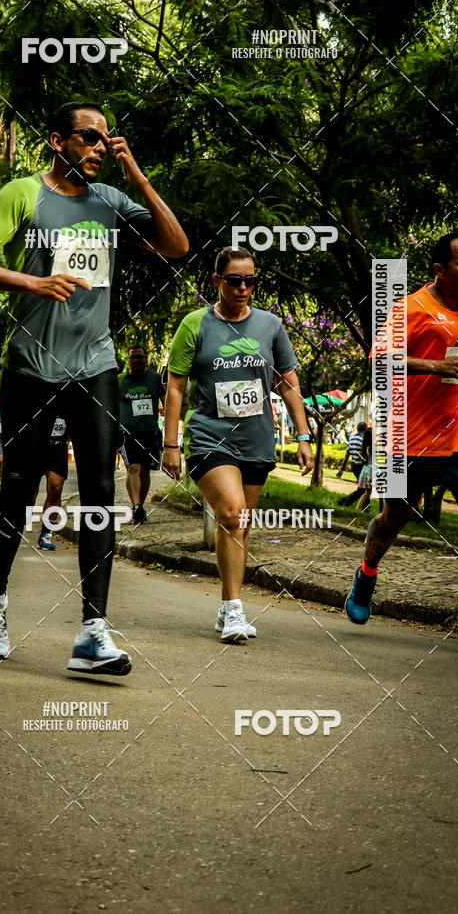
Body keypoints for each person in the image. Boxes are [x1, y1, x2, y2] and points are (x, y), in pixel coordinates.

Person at [0, 100, 188, 672]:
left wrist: (137, 175)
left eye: (106, 140)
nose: (100, 147)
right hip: (31, 367)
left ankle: (92, 633)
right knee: (20, 489)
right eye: (89, 137)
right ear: (58, 141)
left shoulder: (110, 201)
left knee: (101, 494)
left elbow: (176, 246)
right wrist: (32, 283)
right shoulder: (23, 194)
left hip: (96, 366)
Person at [163, 246, 315, 642]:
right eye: (234, 281)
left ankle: (226, 607)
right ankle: (234, 610)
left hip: (256, 439)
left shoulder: (270, 325)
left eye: (250, 281)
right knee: (231, 514)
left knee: (241, 524)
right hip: (210, 436)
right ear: (217, 281)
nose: (243, 288)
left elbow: (289, 384)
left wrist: (303, 436)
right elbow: (176, 387)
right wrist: (170, 443)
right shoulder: (195, 324)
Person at [345, 233, 458, 653]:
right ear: (440, 270)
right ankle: (367, 573)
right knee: (395, 518)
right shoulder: (412, 309)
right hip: (411, 438)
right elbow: (378, 361)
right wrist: (434, 365)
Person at [118, 345, 166, 524]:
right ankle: (136, 505)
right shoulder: (120, 380)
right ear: (128, 360)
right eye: (132, 357)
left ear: (146, 359)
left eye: (139, 356)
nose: (136, 360)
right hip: (127, 433)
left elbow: (167, 402)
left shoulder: (156, 379)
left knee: (145, 472)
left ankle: (140, 505)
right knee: (133, 468)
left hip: (150, 433)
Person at [35, 416, 69, 551]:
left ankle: (46, 534)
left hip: (58, 445)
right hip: (34, 443)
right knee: (29, 490)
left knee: (56, 488)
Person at [336, 421, 367, 506]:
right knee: (363, 489)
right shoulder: (363, 440)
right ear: (365, 429)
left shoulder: (352, 439)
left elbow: (346, 456)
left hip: (354, 466)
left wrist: (342, 469)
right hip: (362, 467)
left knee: (363, 488)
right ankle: (344, 502)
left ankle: (365, 508)